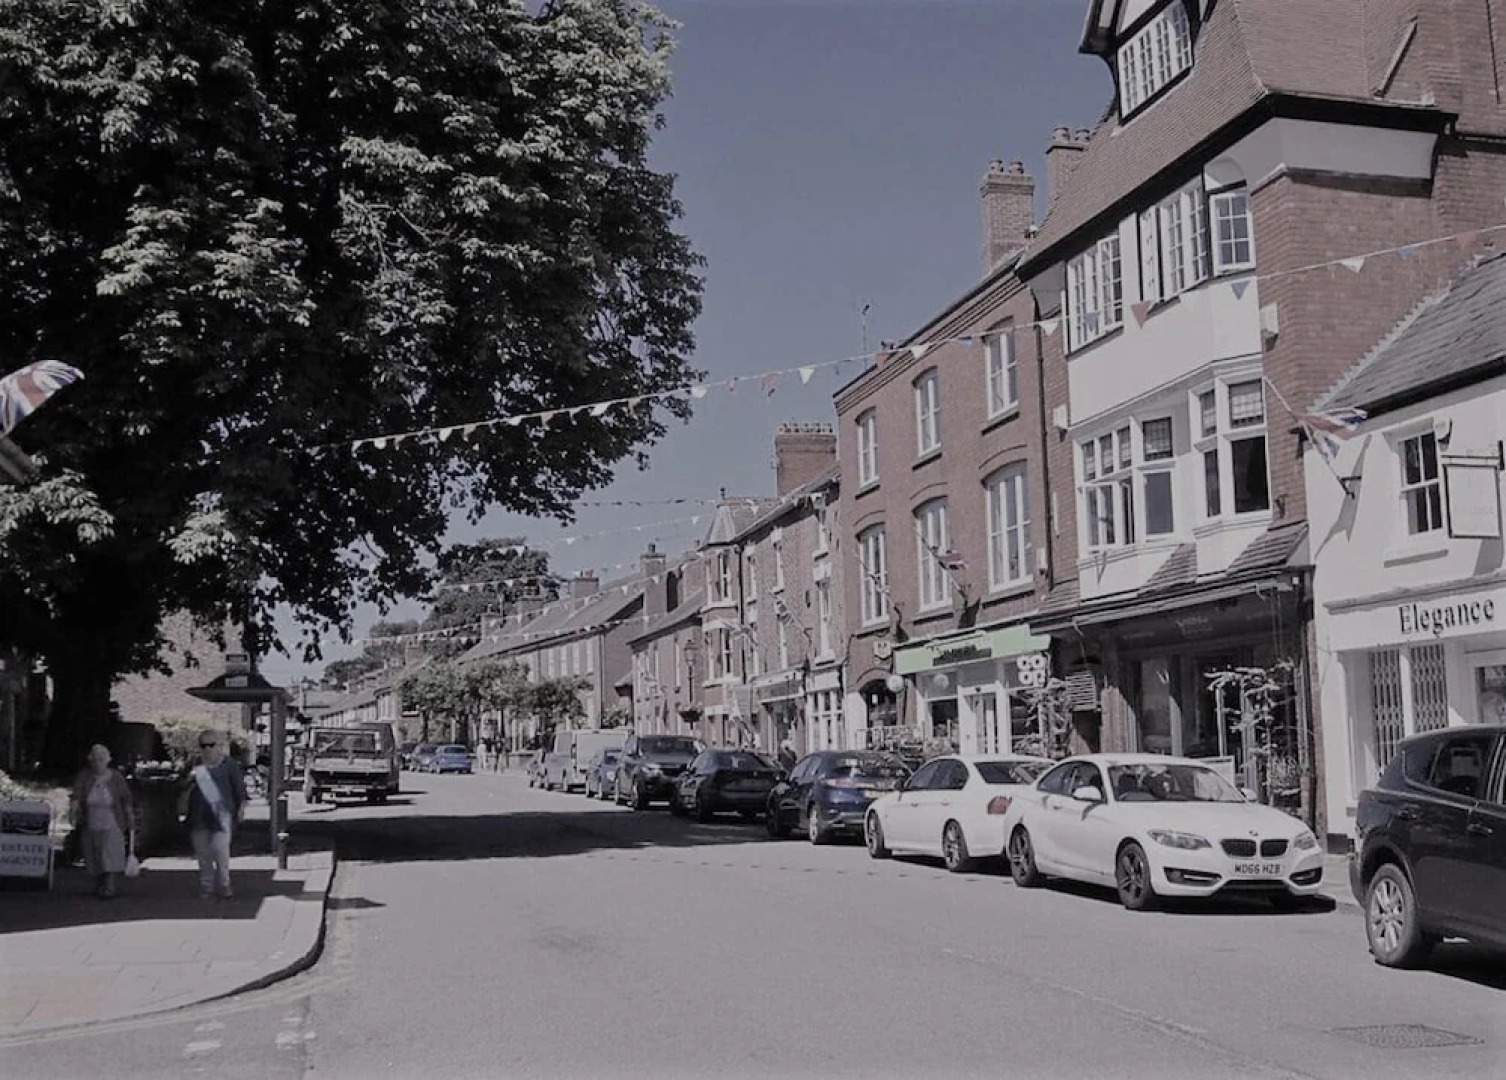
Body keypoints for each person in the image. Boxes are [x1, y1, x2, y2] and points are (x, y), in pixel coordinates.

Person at [181, 729, 247, 900]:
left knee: (220, 851)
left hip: (222, 815)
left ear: (219, 746)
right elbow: (181, 787)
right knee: (203, 854)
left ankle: (225, 885)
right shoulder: (195, 764)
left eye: (211, 745)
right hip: (198, 816)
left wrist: (240, 810)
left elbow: (239, 790)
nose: (208, 749)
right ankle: (207, 886)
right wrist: (189, 779)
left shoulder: (229, 765)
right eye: (204, 745)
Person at [70, 744, 134, 899]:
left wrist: (129, 815)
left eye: (101, 759)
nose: (97, 763)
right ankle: (100, 883)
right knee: (94, 853)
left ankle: (109, 885)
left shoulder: (116, 777)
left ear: (107, 760)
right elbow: (77, 795)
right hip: (91, 820)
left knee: (110, 853)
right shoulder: (84, 776)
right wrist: (73, 810)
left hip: (112, 820)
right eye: (95, 759)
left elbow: (126, 798)